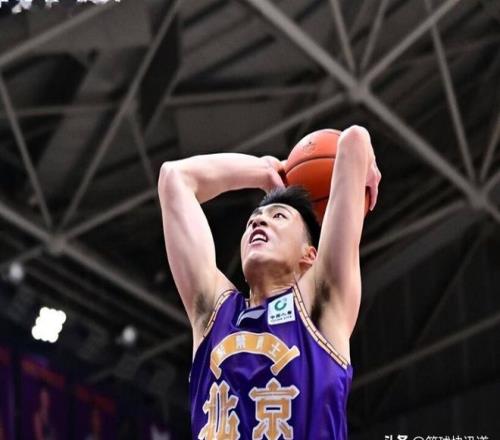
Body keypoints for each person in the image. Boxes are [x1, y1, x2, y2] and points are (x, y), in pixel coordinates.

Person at [158, 125, 381, 439]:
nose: (259, 221)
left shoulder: (322, 302)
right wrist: (261, 171)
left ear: (310, 255)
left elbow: (353, 140)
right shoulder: (214, 315)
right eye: (252, 221)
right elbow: (174, 178)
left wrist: (365, 161)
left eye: (278, 216)